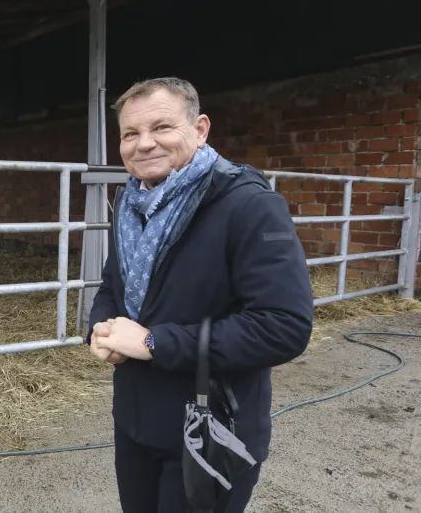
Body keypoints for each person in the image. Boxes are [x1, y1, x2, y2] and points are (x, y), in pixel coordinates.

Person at [86, 77, 314, 513]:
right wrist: (101, 325)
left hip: (211, 429)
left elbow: (284, 327)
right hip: (135, 423)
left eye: (162, 128)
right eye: (130, 134)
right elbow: (114, 285)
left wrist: (155, 342)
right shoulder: (131, 204)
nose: (144, 144)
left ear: (201, 129)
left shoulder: (249, 206)